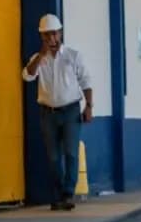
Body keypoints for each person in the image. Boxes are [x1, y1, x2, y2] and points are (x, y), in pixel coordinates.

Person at [21, 14, 92, 211]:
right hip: (48, 113)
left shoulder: (72, 56)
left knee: (70, 152)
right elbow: (27, 76)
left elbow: (86, 81)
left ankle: (68, 193)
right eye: (46, 35)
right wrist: (41, 56)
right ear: (41, 37)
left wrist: (89, 106)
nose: (51, 38)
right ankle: (59, 193)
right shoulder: (37, 59)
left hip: (70, 110)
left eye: (54, 34)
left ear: (60, 33)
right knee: (53, 157)